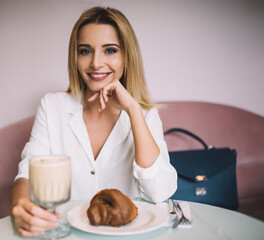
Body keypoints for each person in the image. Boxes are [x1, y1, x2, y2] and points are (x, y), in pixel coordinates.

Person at [10, 6, 177, 237]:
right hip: (67, 233)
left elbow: (160, 192)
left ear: (127, 56)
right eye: (85, 51)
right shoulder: (52, 106)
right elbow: (28, 173)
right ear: (75, 57)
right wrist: (19, 206)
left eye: (110, 50)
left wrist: (133, 111)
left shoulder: (144, 113)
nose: (96, 63)